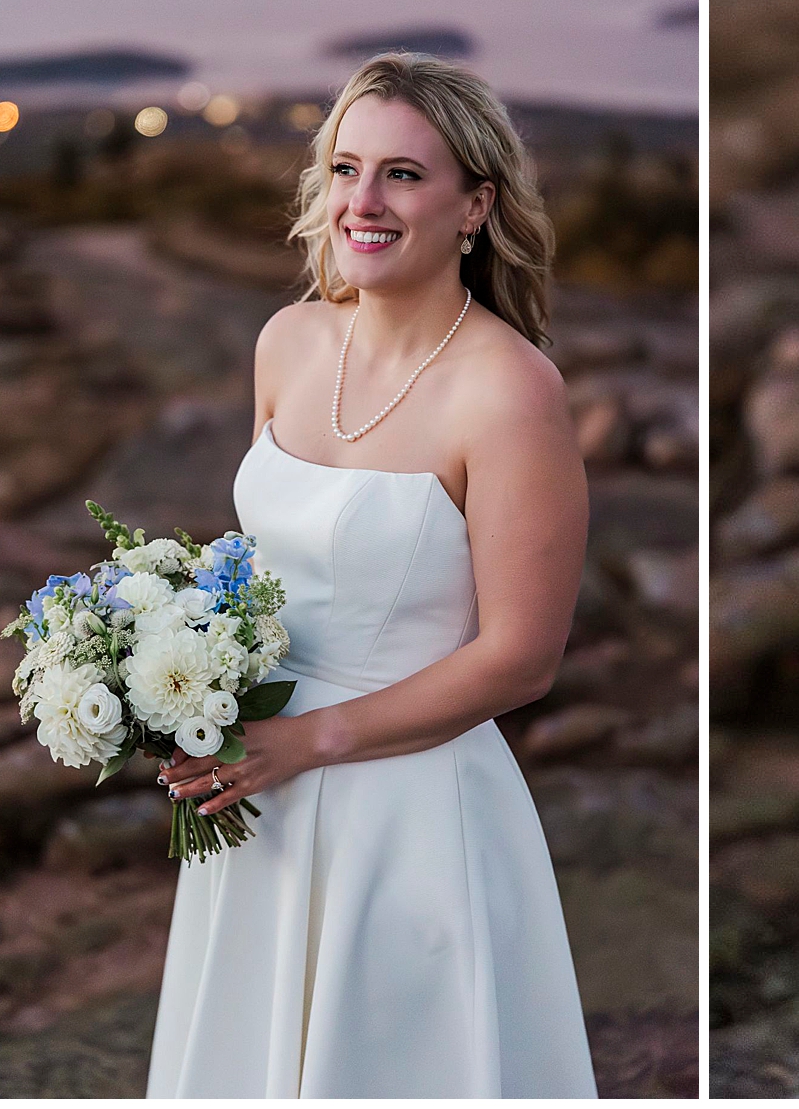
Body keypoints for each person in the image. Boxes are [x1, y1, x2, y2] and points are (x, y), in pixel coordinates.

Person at [148, 54, 596, 1098]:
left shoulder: (510, 390)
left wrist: (312, 739)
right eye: (347, 168)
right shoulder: (290, 342)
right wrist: (179, 677)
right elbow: (257, 574)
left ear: (474, 205)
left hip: (408, 810)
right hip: (254, 801)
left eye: (402, 173)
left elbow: (521, 656)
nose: (363, 200)